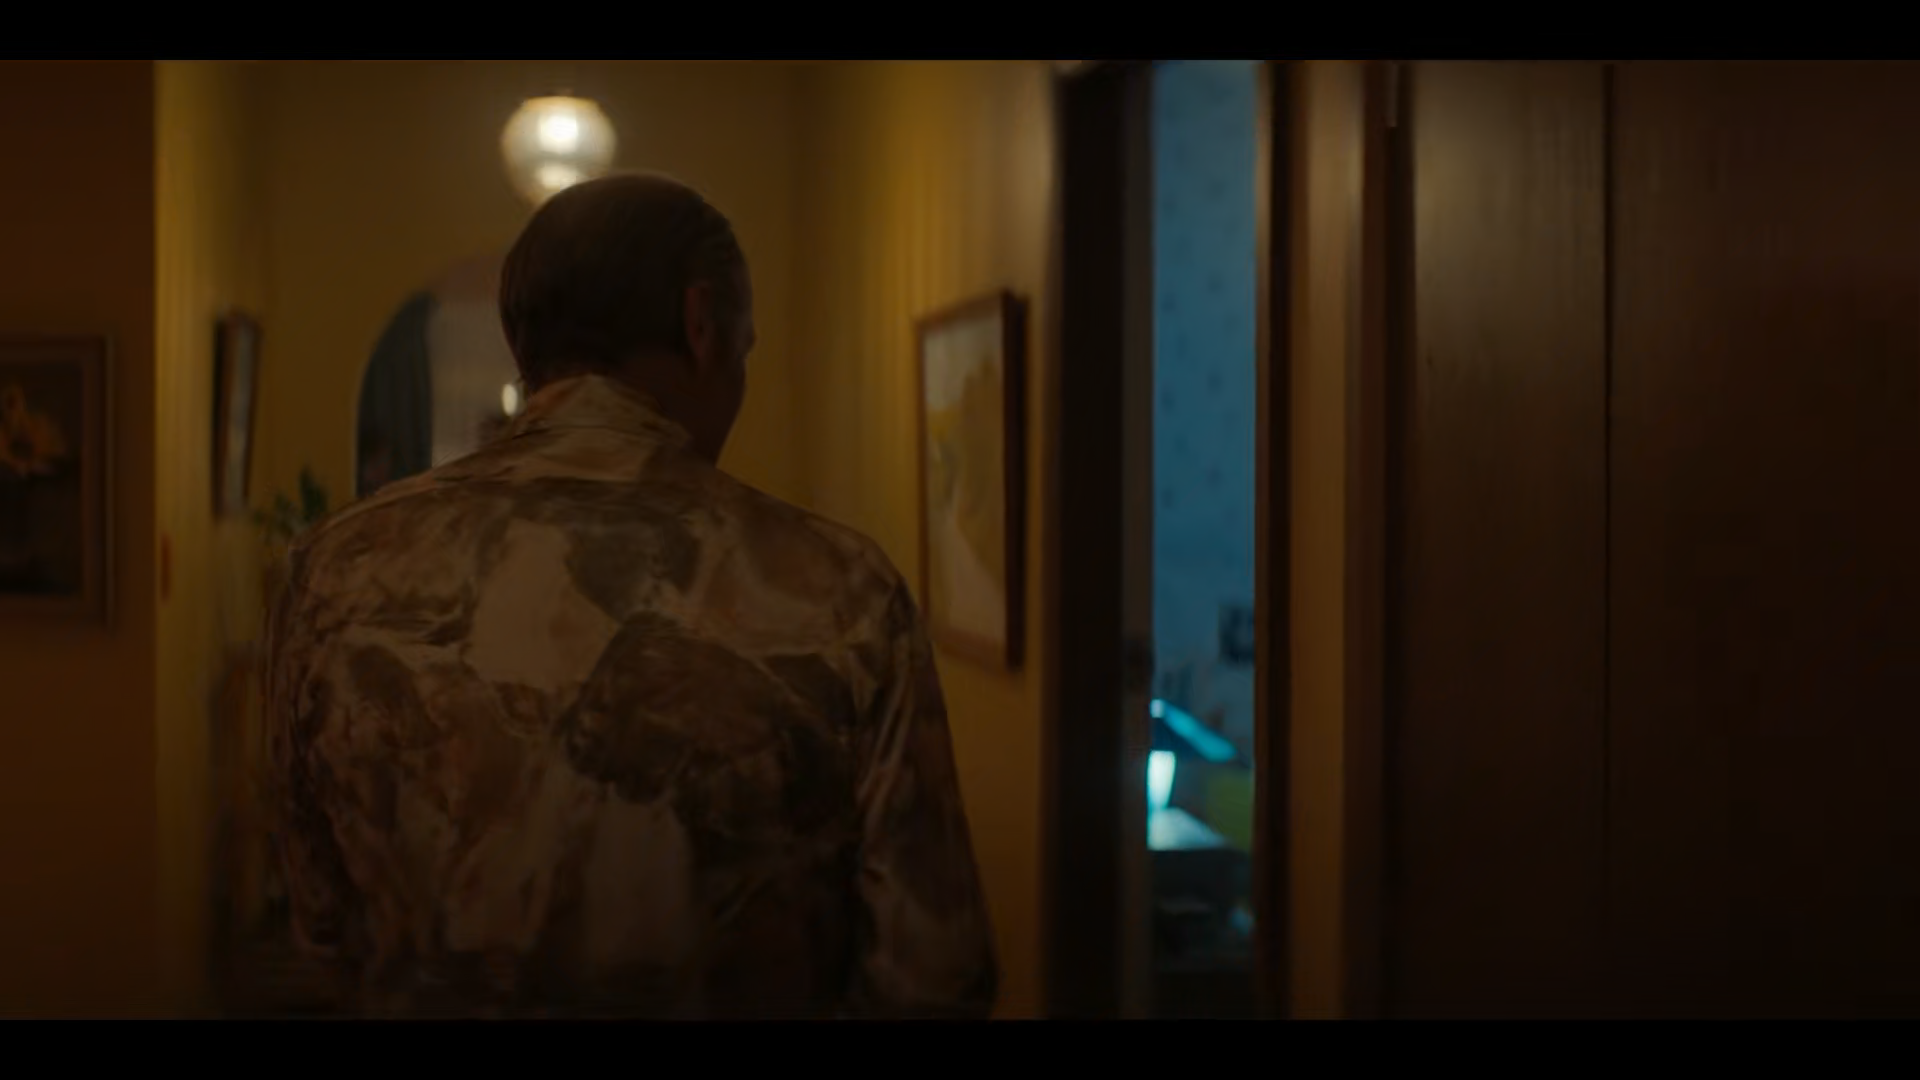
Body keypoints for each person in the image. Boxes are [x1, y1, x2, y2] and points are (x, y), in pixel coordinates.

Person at [263, 173, 998, 1019]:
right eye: (746, 350)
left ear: (522, 344)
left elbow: (323, 926)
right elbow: (933, 974)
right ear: (701, 325)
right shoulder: (841, 588)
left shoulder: (331, 567)